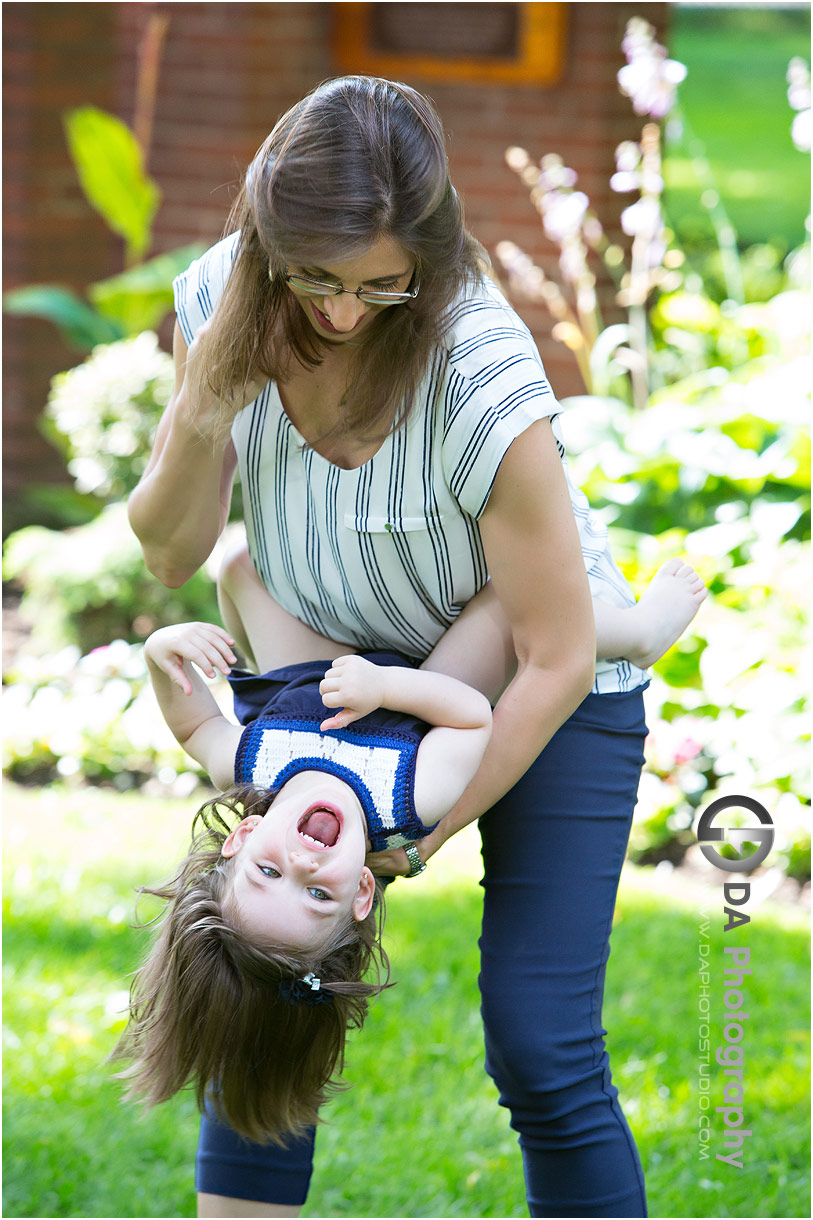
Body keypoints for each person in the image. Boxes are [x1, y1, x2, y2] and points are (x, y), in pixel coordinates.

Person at [128, 75, 706, 1218]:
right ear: (269, 241)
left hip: (548, 679)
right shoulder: (225, 302)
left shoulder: (478, 367)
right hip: (330, 676)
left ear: (429, 264)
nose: (343, 314)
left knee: (541, 1043)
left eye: (380, 287)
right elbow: (170, 548)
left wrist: (413, 829)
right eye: (317, 279)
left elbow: (548, 653)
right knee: (255, 976)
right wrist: (204, 406)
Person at [112, 554, 493, 1147]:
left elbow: (195, 728)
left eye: (268, 871)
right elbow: (472, 720)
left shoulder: (253, 768)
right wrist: (387, 686)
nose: (304, 863)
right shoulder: (406, 799)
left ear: (241, 838)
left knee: (241, 567)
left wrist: (162, 653)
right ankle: (624, 632)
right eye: (318, 893)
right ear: (362, 890)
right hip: (424, 685)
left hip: (312, 674)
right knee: (508, 601)